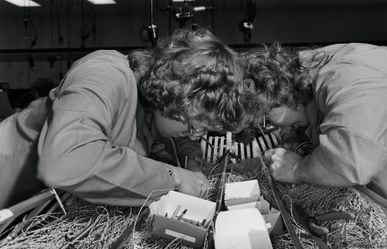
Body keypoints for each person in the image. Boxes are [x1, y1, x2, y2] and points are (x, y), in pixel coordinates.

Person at [0, 28, 244, 208]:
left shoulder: (153, 107)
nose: (194, 135)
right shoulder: (104, 74)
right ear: (173, 95)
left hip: (41, 203)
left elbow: (178, 139)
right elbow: (67, 161)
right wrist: (175, 178)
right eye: (194, 125)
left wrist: (192, 163)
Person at [242, 42, 387, 217]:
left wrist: (296, 169)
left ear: (276, 95)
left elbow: (351, 162)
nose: (278, 128)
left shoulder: (345, 77)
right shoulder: (312, 76)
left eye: (266, 120)